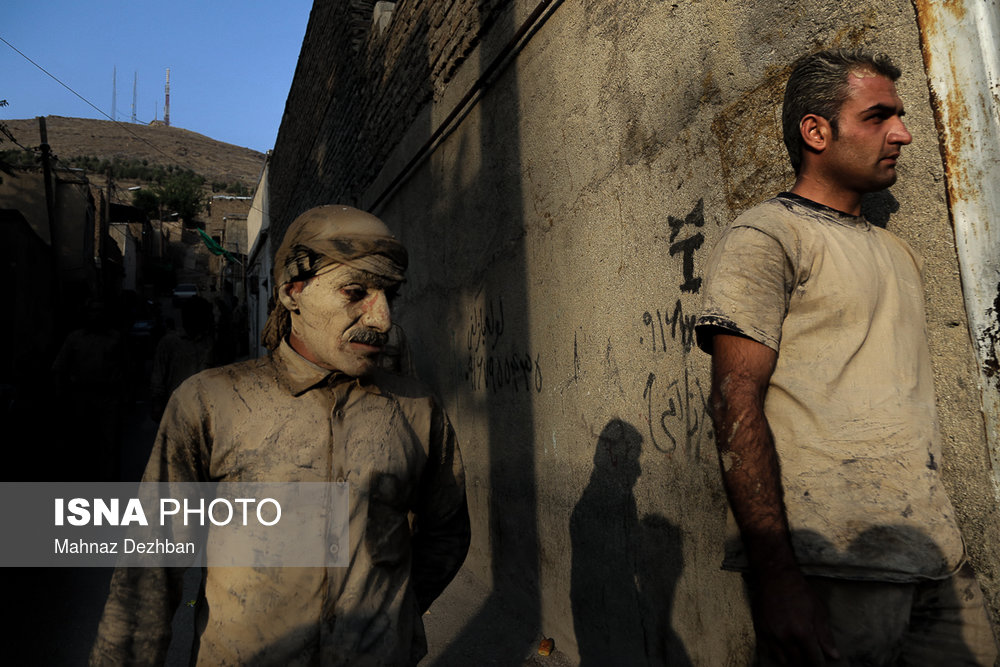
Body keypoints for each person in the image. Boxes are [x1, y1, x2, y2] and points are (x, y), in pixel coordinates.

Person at [695, 49, 998, 665]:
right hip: (830, 567)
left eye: (901, 116)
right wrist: (777, 577)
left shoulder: (897, 252)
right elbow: (735, 403)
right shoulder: (768, 235)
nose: (903, 133)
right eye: (878, 116)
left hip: (936, 562)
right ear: (816, 131)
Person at [91, 205, 471, 666]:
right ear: (294, 292)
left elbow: (447, 530)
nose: (382, 319)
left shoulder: (417, 410)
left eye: (390, 295)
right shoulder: (211, 402)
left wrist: (395, 613)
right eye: (356, 293)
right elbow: (149, 567)